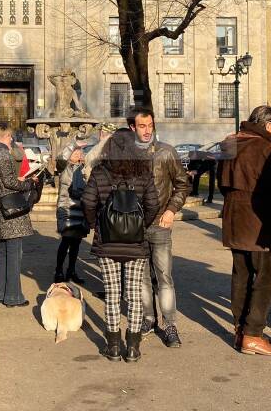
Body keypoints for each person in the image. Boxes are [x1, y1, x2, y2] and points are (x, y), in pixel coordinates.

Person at [83, 128, 160, 362]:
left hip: (107, 242)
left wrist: (96, 223)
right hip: (136, 243)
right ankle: (134, 348)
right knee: (135, 294)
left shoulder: (100, 172)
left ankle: (113, 346)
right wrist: (140, 226)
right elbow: (154, 204)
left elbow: (87, 201)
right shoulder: (144, 173)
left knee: (113, 294)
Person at [218, 106, 271, 356]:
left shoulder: (230, 144)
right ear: (269, 124)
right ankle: (253, 334)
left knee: (242, 275)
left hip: (234, 217)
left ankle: (240, 329)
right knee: (266, 279)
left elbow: (221, 184)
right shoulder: (264, 148)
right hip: (260, 221)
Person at [130, 108, 188, 348]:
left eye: (150, 125)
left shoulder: (166, 152)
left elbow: (182, 185)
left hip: (160, 225)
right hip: (134, 227)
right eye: (141, 126)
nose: (146, 130)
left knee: (164, 277)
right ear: (133, 128)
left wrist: (171, 210)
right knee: (142, 279)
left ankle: (170, 324)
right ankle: (148, 318)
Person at [0, 123, 39, 308]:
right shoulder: (2, 153)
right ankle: (13, 296)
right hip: (10, 210)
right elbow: (9, 182)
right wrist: (29, 183)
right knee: (14, 254)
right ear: (0, 137)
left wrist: (18, 180)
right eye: (8, 136)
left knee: (3, 252)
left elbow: (1, 181)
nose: (11, 139)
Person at [54, 145, 89, 284]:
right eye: (75, 151)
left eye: (80, 151)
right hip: (67, 209)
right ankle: (58, 271)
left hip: (80, 209)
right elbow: (61, 157)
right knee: (66, 240)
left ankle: (71, 270)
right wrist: (73, 145)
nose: (78, 154)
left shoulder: (84, 169)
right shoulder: (65, 167)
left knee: (76, 242)